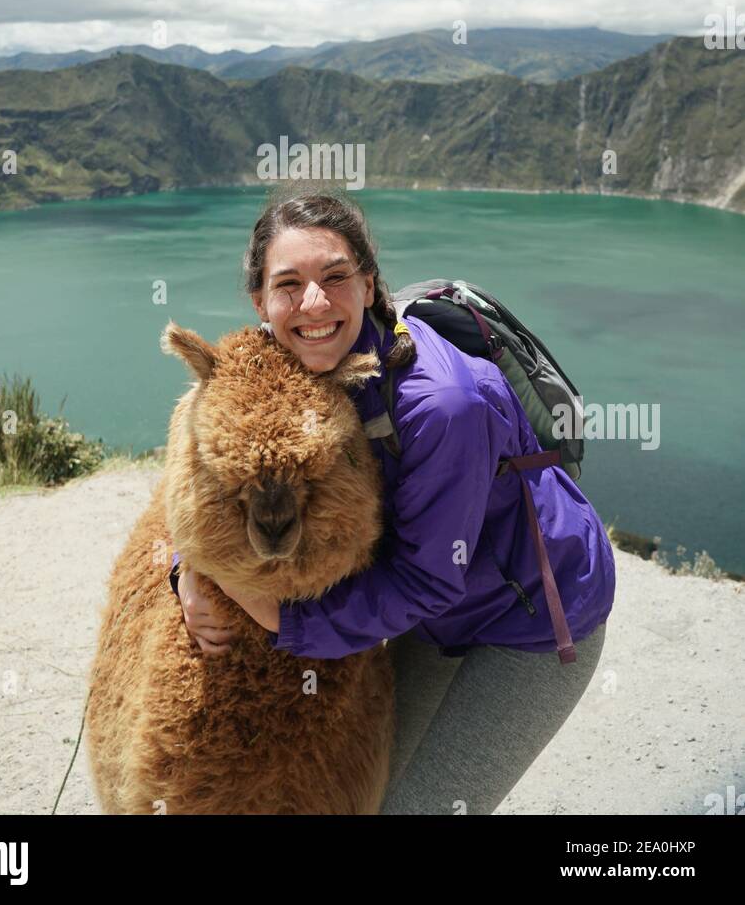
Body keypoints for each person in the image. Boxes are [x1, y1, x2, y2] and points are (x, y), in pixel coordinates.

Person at [171, 187, 615, 815]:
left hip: (534, 616)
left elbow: (425, 580)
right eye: (289, 284)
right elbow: (208, 481)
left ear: (370, 284)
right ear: (260, 301)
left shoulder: (441, 405)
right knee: (363, 793)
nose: (314, 303)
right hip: (439, 612)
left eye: (335, 276)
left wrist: (284, 619)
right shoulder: (288, 364)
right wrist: (188, 569)